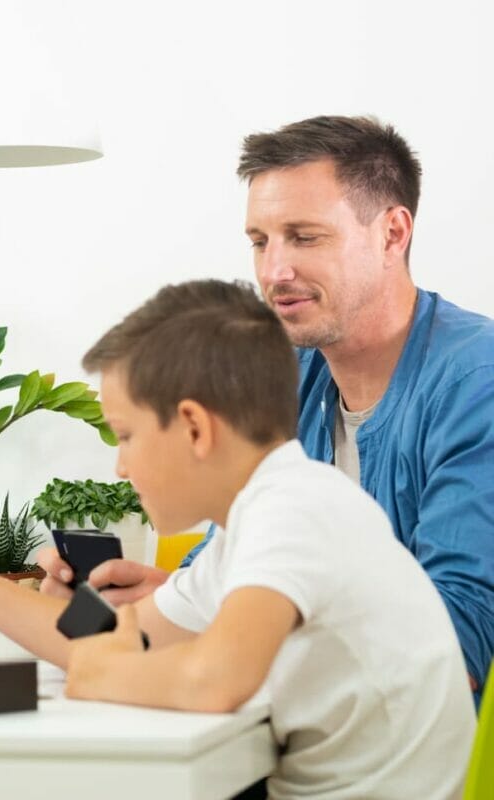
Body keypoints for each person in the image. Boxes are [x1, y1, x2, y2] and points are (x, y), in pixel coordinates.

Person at [0, 280, 475, 799]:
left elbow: (211, 679)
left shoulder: (297, 509)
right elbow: (113, 635)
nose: (120, 467)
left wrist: (100, 675)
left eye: (126, 435)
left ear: (194, 427)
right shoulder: (246, 528)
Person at [39, 115, 494, 696]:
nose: (273, 271)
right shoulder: (284, 372)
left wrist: (232, 637)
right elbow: (224, 559)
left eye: (304, 237)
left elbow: (459, 644)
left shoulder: (475, 380)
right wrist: (147, 599)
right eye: (260, 241)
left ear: (392, 234)